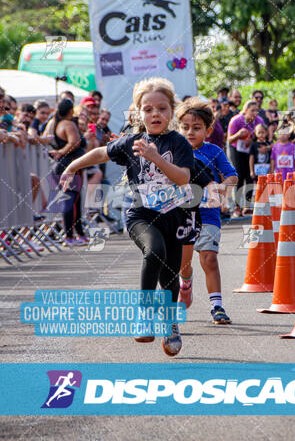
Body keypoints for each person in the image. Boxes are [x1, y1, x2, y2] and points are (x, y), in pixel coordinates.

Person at [61, 77, 209, 357]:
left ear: (171, 111)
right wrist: (72, 166)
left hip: (174, 216)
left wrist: (156, 158)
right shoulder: (131, 141)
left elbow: (183, 178)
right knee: (154, 252)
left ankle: (170, 323)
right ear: (138, 113)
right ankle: (144, 315)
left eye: (162, 108)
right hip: (141, 214)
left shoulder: (178, 143)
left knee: (169, 273)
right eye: (148, 109)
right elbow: (101, 153)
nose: (156, 114)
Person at [176, 98, 237, 324]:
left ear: (208, 130)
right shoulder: (172, 150)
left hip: (208, 213)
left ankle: (217, 306)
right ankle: (186, 282)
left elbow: (232, 175)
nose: (190, 132)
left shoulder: (214, 151)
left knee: (209, 259)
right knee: (184, 264)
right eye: (185, 127)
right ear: (178, 128)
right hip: (180, 214)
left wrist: (223, 187)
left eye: (196, 128)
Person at [48, 98, 87, 246]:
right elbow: (74, 142)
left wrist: (60, 152)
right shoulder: (68, 124)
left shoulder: (59, 123)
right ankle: (71, 235)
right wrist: (61, 152)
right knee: (72, 200)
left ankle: (74, 234)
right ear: (70, 111)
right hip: (71, 165)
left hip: (65, 164)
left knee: (70, 199)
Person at [227, 100, 264, 217]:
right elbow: (229, 139)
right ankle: (237, 206)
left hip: (249, 148)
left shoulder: (259, 121)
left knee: (249, 175)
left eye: (256, 111)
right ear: (246, 110)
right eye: (252, 110)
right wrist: (238, 134)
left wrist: (252, 140)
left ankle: (247, 206)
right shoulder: (236, 120)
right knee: (239, 175)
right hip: (235, 148)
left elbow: (262, 135)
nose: (255, 113)